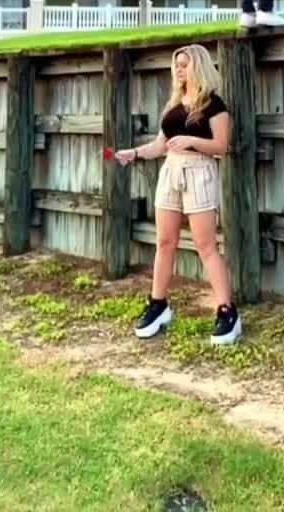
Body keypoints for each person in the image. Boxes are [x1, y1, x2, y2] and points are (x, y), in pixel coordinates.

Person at [116, 44, 241, 346]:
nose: (179, 69)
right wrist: (134, 153)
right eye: (177, 65)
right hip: (170, 172)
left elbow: (221, 146)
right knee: (164, 242)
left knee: (205, 245)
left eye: (185, 64)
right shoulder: (174, 103)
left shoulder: (213, 104)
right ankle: (158, 304)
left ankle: (227, 312)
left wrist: (190, 140)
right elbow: (161, 145)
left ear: (199, 66)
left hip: (198, 172)